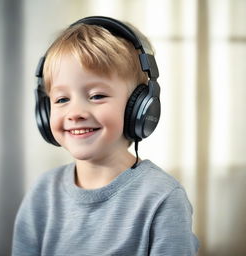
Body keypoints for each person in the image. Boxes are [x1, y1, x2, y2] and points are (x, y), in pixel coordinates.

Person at [12, 16, 199, 255]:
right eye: (61, 99)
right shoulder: (42, 193)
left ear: (140, 107)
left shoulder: (162, 197)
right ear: (45, 110)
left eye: (97, 96)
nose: (76, 113)